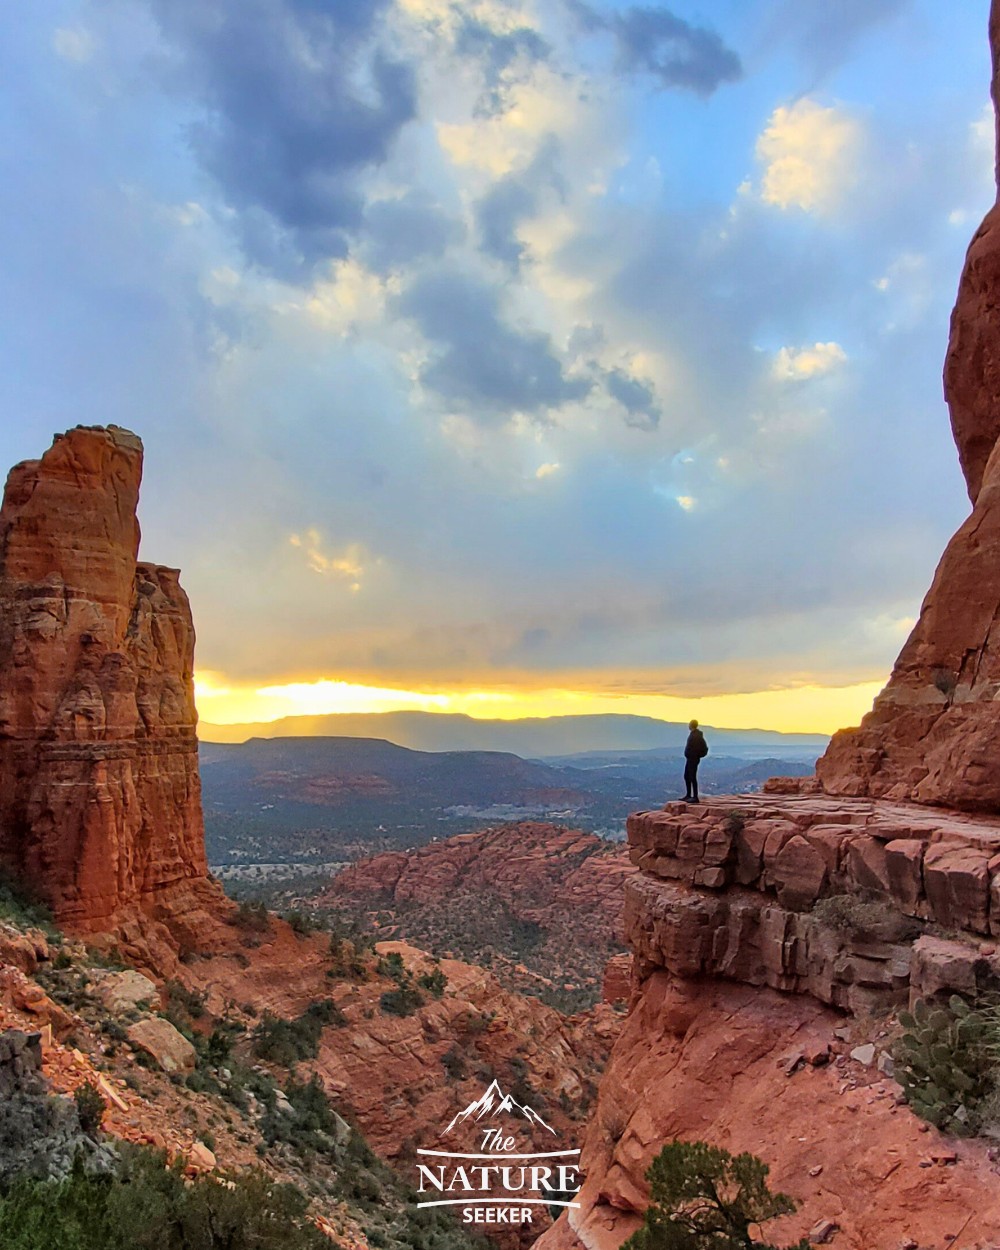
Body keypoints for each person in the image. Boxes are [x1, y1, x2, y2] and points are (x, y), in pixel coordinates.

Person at [683, 719, 708, 803]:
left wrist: (696, 755)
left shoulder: (696, 735)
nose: (688, 726)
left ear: (691, 725)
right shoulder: (694, 734)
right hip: (690, 758)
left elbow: (702, 748)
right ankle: (689, 795)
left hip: (693, 759)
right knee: (687, 776)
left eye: (689, 724)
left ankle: (695, 797)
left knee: (692, 777)